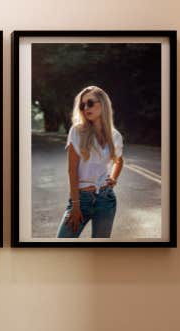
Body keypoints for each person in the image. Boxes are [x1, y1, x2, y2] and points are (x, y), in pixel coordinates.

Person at [56, 85, 124, 238]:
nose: (86, 107)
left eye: (90, 103)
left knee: (99, 253)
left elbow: (119, 160)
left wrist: (113, 178)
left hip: (106, 200)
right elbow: (72, 170)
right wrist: (75, 205)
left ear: (103, 104)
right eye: (82, 105)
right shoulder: (77, 131)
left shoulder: (115, 136)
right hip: (81, 200)